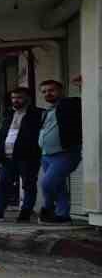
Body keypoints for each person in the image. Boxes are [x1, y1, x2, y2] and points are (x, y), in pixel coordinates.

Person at [0, 87, 43, 221]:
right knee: (3, 184)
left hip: (27, 156)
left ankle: (26, 212)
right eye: (13, 98)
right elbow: (2, 135)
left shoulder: (37, 114)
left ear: (28, 98)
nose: (15, 100)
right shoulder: (9, 114)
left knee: (28, 184)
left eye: (19, 98)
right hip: (8, 156)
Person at [37, 79, 83, 224]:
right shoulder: (47, 111)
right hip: (46, 155)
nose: (47, 94)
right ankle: (63, 215)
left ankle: (47, 208)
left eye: (51, 90)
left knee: (47, 183)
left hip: (65, 154)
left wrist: (83, 86)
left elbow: (84, 101)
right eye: (44, 92)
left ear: (61, 91)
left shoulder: (69, 105)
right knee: (59, 187)